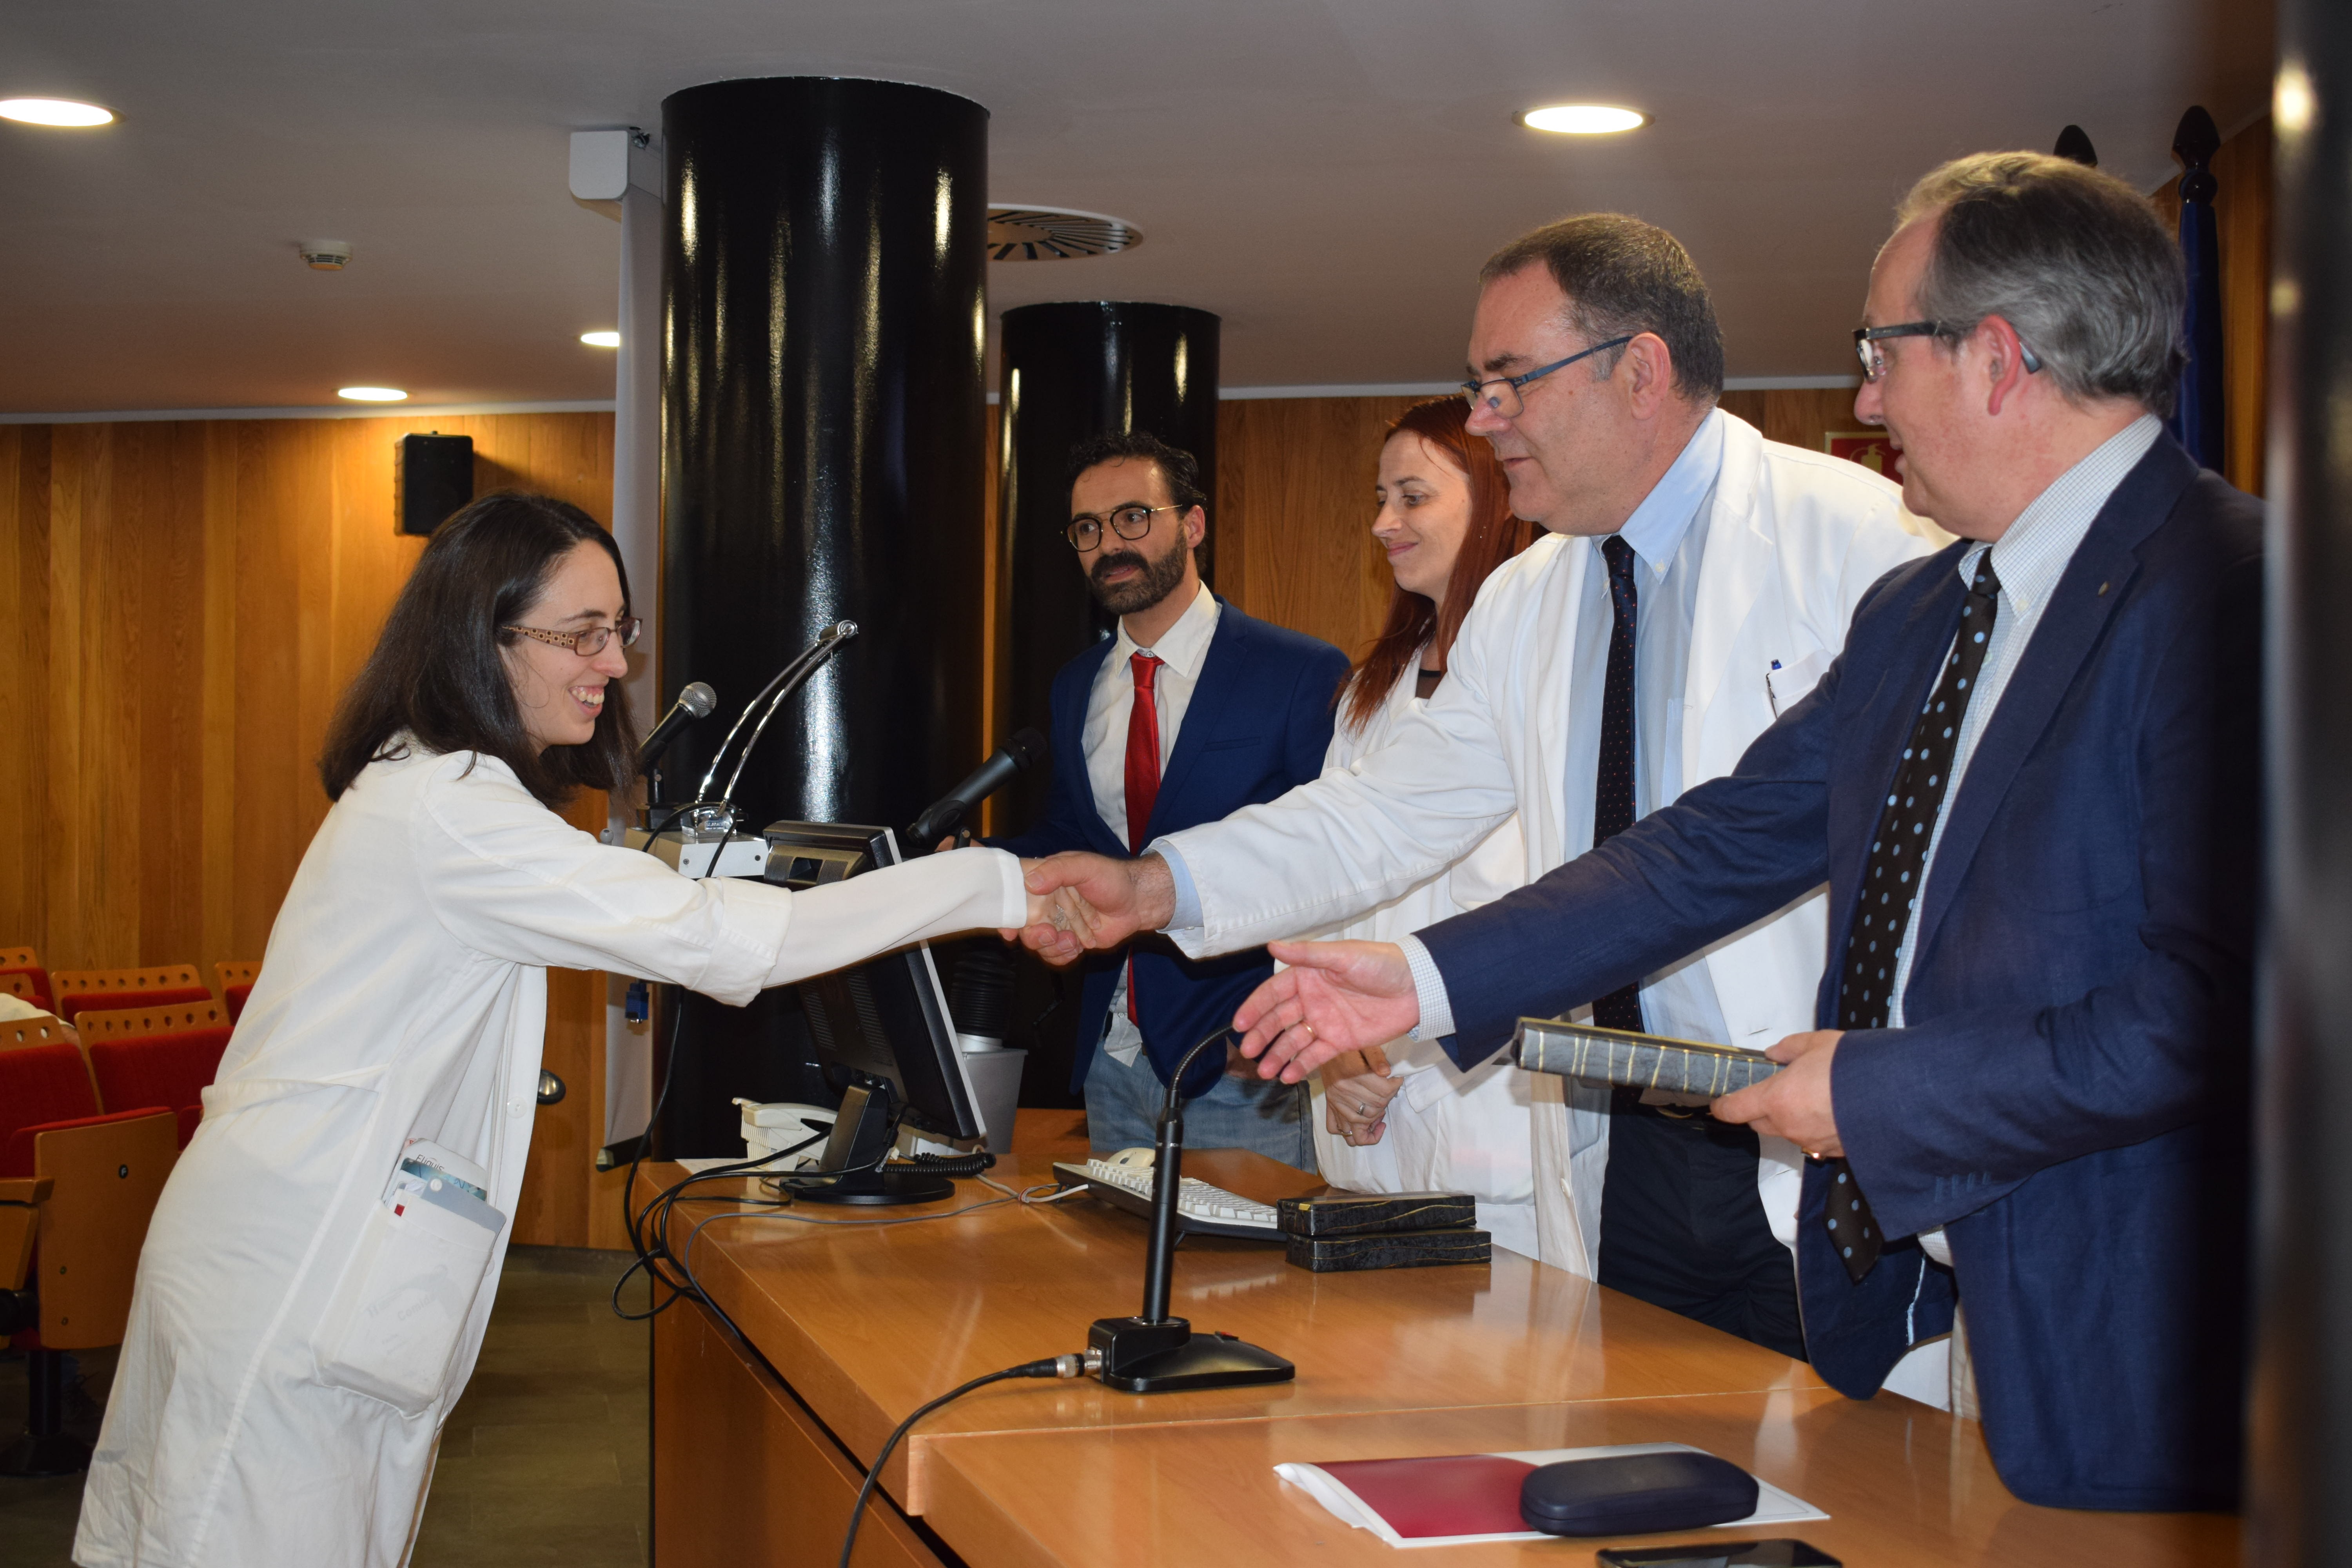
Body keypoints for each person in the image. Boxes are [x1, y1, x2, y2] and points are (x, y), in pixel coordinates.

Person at [1211, 153, 2261, 1512]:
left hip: (2146, 1324)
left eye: (1881, 354)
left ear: (1997, 360)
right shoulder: (1924, 613)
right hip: (1946, 1300)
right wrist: (1422, 978)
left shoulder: (2241, 593)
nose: (1866, 399)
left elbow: (2219, 1008)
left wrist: (1873, 1094)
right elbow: (1711, 847)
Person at [74, 493, 1060, 1568]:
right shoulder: (451, 809)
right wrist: (999, 884)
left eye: (618, 629)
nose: (615, 664)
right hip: (294, 1264)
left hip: (293, 1238)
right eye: (581, 635)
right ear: (481, 638)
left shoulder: (436, 786)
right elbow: (735, 942)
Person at [1024, 215, 1936, 1357]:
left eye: (1510, 382)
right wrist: (1157, 888)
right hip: (1626, 1141)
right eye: (1477, 386)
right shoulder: (1529, 596)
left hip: (1816, 1136)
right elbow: (1384, 812)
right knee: (1642, 1450)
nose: (1486, 415)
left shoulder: (1865, 543)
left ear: (1640, 370)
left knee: (1857, 1463)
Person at [990, 432, 1348, 1170]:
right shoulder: (1076, 685)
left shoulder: (1299, 672)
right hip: (1111, 1057)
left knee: (1243, 1252)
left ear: (1193, 525)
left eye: (1133, 517)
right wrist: (980, 866)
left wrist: (1296, 1032)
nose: (1109, 545)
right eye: (1088, 529)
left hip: (1244, 1061)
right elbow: (1073, 835)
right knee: (1113, 1251)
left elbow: (1332, 863)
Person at [1308, 397, 1544, 1257]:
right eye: (1381, 498)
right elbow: (1322, 886)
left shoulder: (1548, 679)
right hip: (1363, 1135)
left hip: (1498, 1137)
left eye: (1412, 497)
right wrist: (1331, 1046)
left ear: (1497, 499)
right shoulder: (1371, 693)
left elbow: (1562, 916)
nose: (1383, 523)